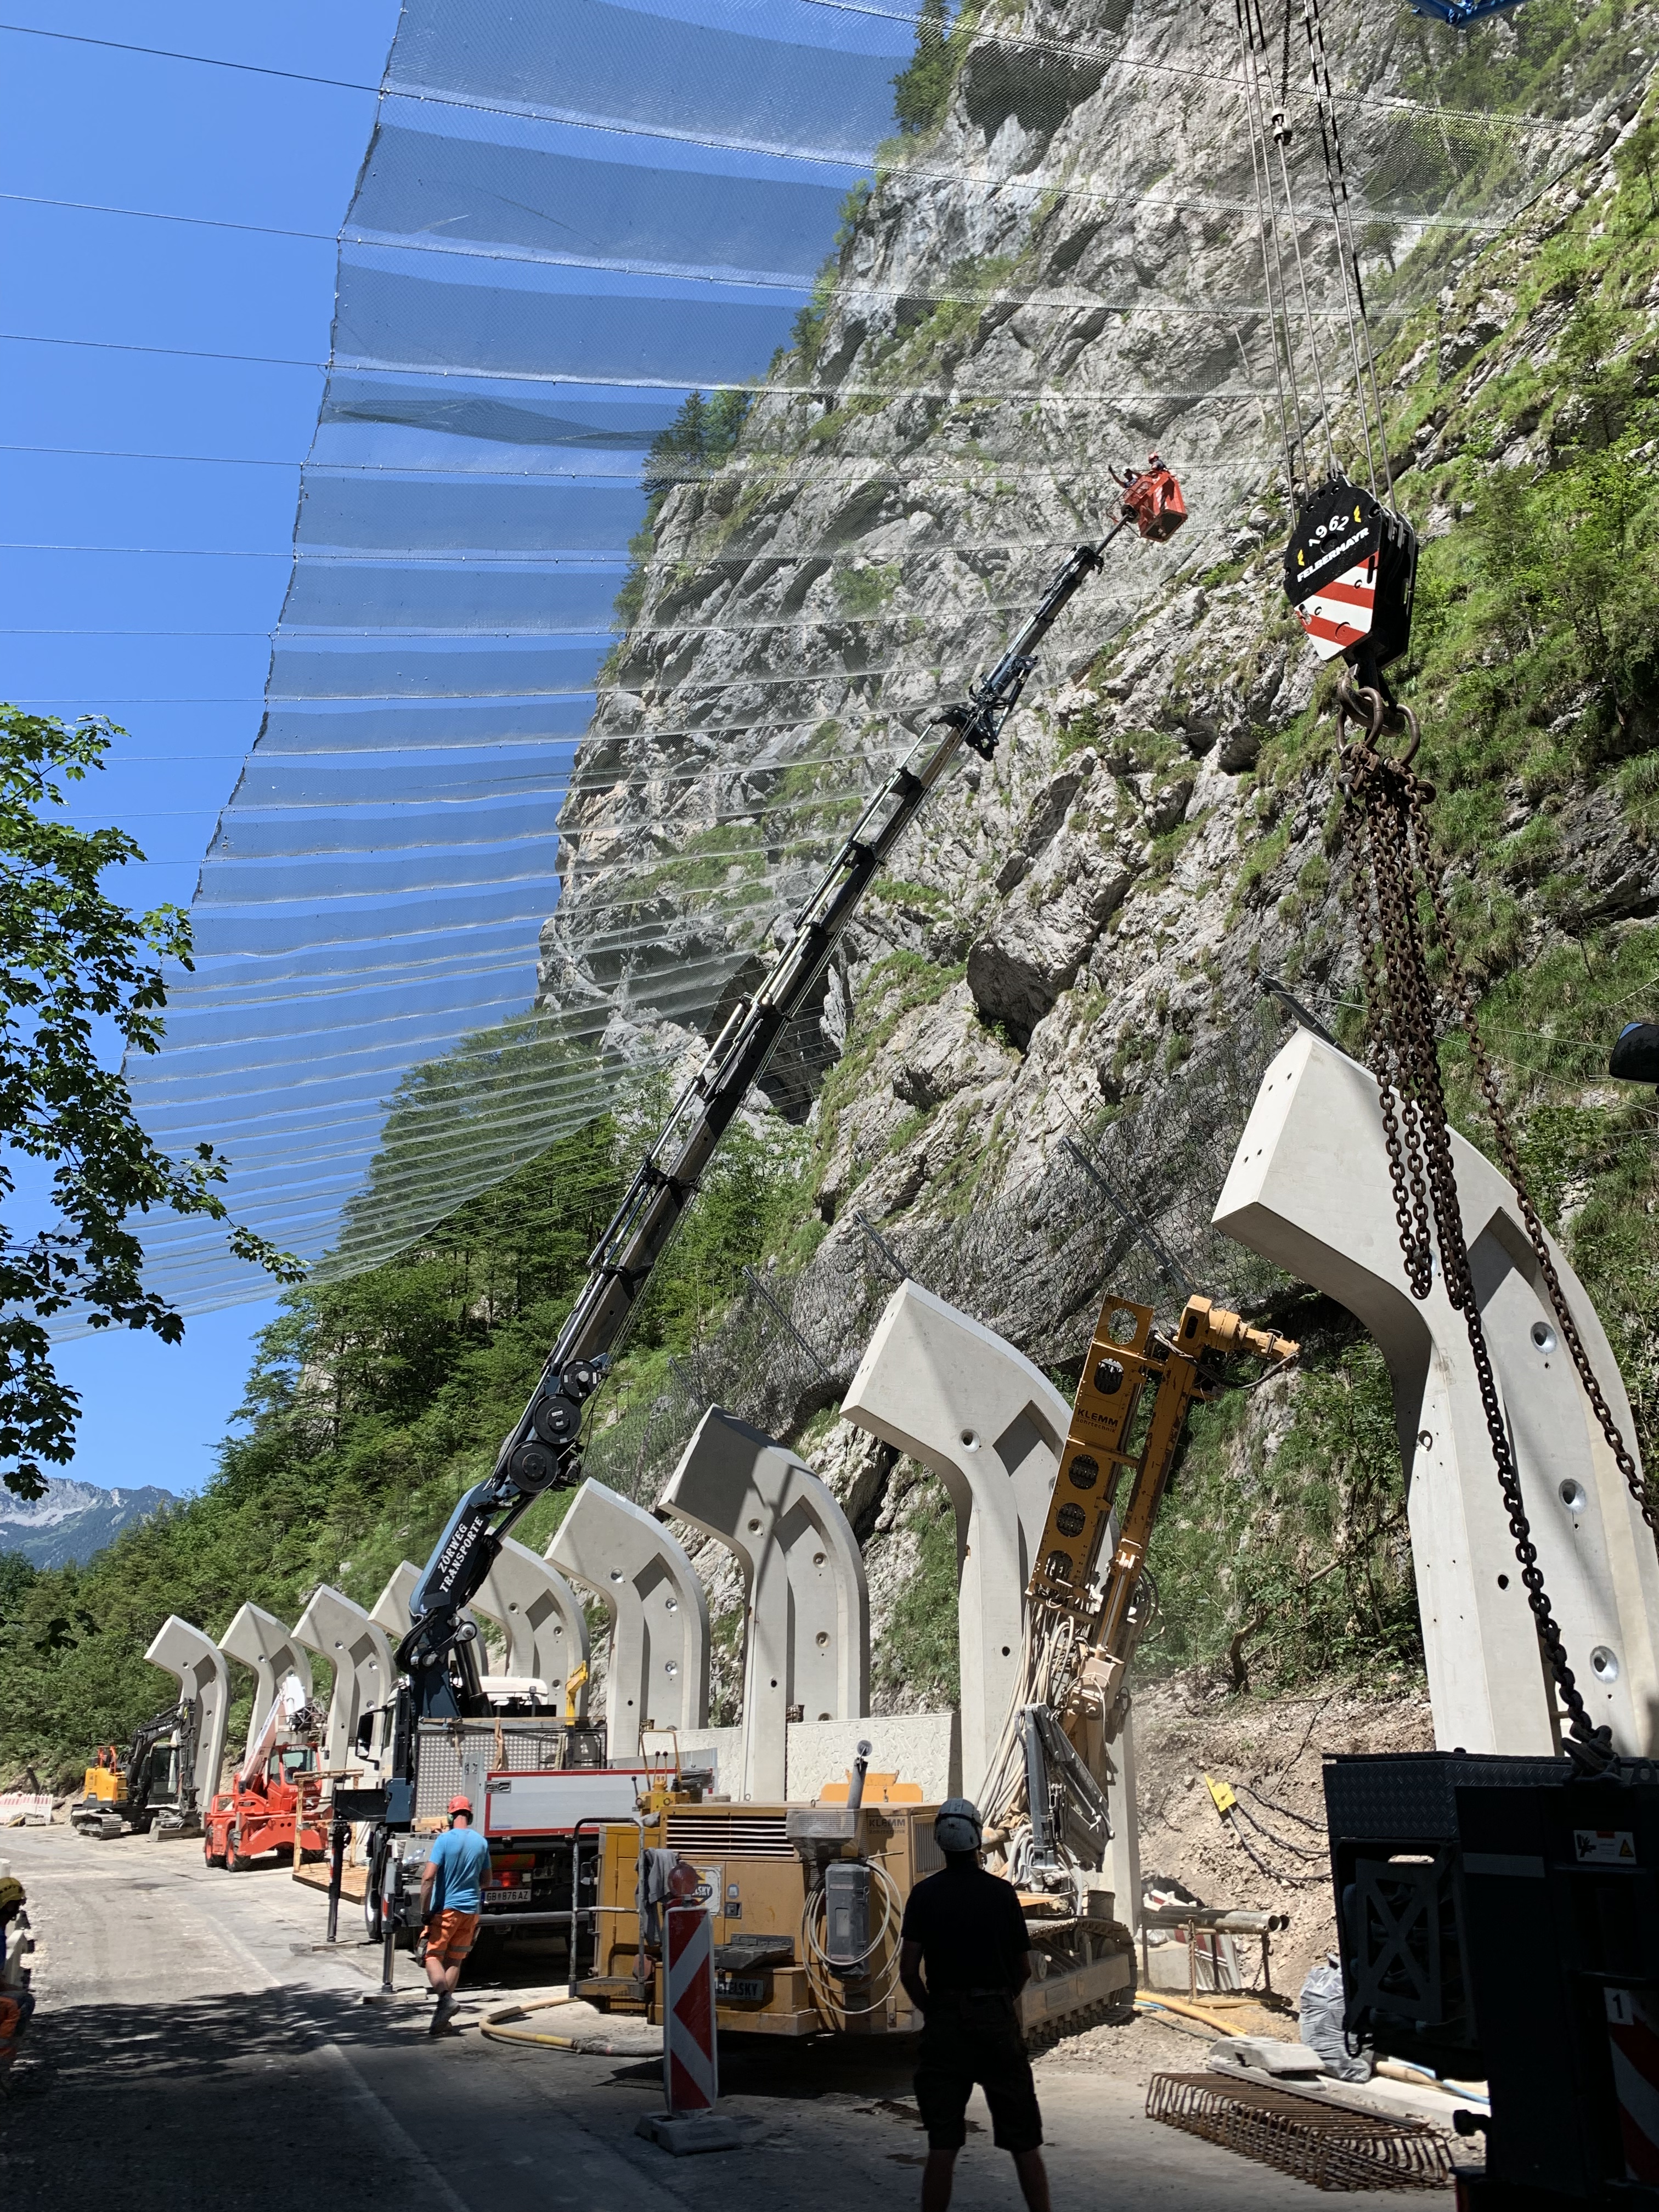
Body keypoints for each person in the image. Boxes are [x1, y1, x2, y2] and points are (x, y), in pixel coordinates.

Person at [899, 1799, 1049, 2212]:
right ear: (976, 1839)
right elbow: (1023, 1969)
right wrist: (999, 2003)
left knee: (942, 2145)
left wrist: (935, 2010)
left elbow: (909, 1971)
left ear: (941, 1843)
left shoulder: (924, 1895)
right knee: (1025, 2143)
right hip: (996, 2024)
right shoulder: (1001, 1895)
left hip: (946, 2027)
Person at [419, 1795, 492, 2036]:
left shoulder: (444, 1840)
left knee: (431, 1956)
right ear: (469, 1815)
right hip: (470, 1911)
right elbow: (486, 1881)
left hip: (447, 1909)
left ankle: (444, 1999)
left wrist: (426, 1911)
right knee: (455, 1960)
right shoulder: (481, 1843)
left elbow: (428, 1877)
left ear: (450, 1815)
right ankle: (443, 2020)